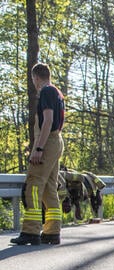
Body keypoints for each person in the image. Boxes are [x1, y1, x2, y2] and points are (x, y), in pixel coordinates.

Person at [12, 63, 65, 246]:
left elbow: (48, 120)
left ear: (36, 77)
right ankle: (52, 231)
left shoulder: (46, 91)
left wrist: (38, 148)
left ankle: (30, 230)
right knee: (50, 187)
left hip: (48, 141)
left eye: (33, 79)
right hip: (56, 140)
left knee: (34, 185)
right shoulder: (57, 92)